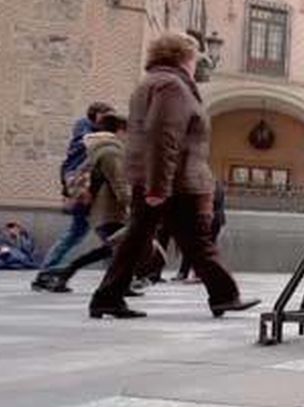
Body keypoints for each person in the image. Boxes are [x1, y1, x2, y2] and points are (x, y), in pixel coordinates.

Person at [88, 32, 259, 319]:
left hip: (159, 179)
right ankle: (224, 295)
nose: (197, 64)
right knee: (195, 241)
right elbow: (163, 135)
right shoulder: (171, 86)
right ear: (183, 57)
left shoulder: (152, 82)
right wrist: (158, 186)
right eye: (195, 58)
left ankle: (107, 297)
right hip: (174, 182)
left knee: (140, 239)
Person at [37, 114, 130, 292]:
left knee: (115, 248)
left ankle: (118, 284)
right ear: (120, 130)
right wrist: (130, 203)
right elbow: (118, 182)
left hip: (98, 208)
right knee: (115, 247)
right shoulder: (111, 151)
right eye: (128, 131)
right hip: (107, 209)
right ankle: (66, 270)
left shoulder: (96, 147)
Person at [175, 180, 227, 282]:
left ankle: (190, 273)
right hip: (213, 220)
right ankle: (192, 273)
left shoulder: (207, 186)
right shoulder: (215, 185)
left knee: (197, 247)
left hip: (208, 219)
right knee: (204, 247)